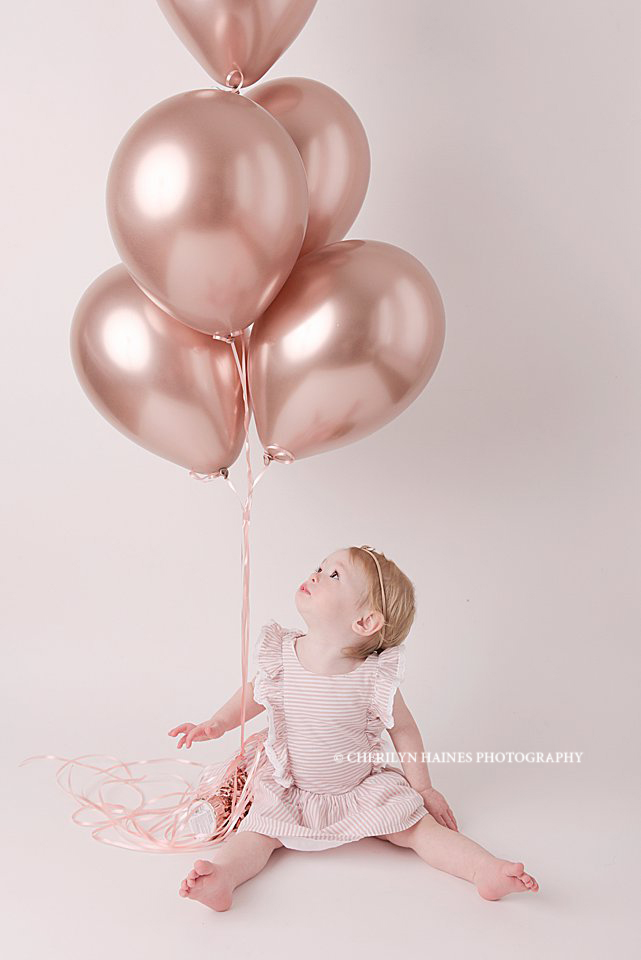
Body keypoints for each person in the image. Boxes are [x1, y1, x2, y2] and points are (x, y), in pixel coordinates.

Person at [169, 545, 539, 911]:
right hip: (290, 787)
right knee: (256, 832)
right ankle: (222, 878)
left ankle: (483, 869)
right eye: (320, 565)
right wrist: (217, 723)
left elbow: (405, 730)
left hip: (358, 787)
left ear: (364, 622)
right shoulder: (283, 654)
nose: (316, 573)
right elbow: (255, 693)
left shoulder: (373, 676)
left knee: (418, 830)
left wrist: (422, 786)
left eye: (334, 575)